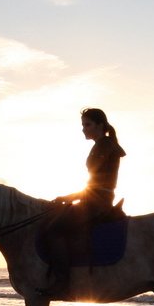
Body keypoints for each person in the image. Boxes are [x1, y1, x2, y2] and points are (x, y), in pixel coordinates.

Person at [42, 108, 126, 295]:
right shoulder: (104, 144)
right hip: (97, 199)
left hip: (96, 203)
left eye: (87, 124)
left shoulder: (104, 146)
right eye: (83, 125)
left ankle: (62, 282)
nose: (83, 129)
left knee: (54, 230)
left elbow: (94, 186)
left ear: (100, 125)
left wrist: (68, 197)